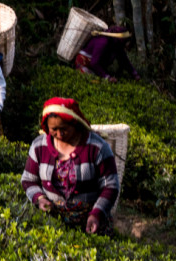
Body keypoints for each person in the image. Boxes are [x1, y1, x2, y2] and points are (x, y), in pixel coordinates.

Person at [22, 97, 120, 235]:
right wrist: (39, 198)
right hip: (53, 224)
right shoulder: (39, 146)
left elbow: (111, 185)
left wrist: (97, 213)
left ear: (75, 124)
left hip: (91, 223)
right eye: (54, 129)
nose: (60, 134)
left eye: (64, 129)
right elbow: (28, 179)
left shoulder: (97, 147)